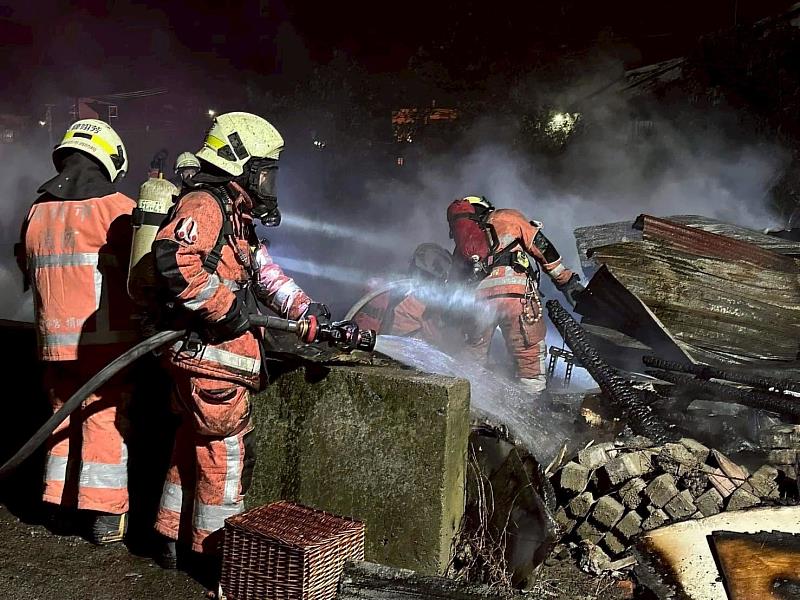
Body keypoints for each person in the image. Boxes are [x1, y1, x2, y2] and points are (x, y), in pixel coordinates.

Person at [150, 112, 347, 568]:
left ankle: (168, 538)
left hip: (204, 360)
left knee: (192, 448)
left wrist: (305, 308)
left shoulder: (235, 216)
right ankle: (213, 553)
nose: (268, 182)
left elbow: (265, 273)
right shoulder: (206, 204)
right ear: (239, 162)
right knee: (228, 456)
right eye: (265, 171)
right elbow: (173, 259)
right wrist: (227, 307)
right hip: (212, 358)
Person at [15, 119, 138, 544]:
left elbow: (25, 268)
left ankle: (57, 504)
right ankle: (104, 516)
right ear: (109, 158)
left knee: (60, 418)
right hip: (103, 343)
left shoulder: (36, 210)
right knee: (103, 419)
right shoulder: (118, 207)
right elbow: (144, 275)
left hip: (51, 341)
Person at [447, 196, 584, 394]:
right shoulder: (507, 217)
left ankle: (472, 403)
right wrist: (566, 281)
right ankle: (531, 406)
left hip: (478, 303)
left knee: (472, 357)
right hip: (516, 298)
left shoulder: (464, 245)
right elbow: (541, 247)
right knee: (528, 354)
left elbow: (453, 284)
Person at [351, 243, 453, 346]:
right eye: (425, 277)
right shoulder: (384, 292)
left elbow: (447, 349)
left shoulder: (441, 312)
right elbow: (362, 337)